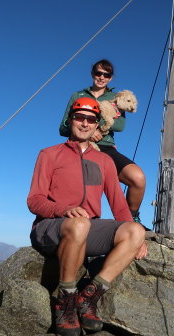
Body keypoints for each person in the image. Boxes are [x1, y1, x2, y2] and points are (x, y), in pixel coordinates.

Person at [29, 97, 148, 336]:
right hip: (50, 226)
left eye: (91, 119)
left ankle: (89, 297)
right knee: (80, 223)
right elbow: (35, 200)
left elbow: (118, 203)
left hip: (85, 229)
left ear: (97, 126)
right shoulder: (49, 154)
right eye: (79, 117)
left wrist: (138, 238)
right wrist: (63, 209)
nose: (84, 123)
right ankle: (66, 300)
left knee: (135, 230)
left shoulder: (104, 161)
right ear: (70, 120)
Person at [59, 59, 147, 225]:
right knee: (88, 185)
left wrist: (99, 130)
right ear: (92, 73)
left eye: (106, 75)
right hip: (80, 147)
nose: (101, 77)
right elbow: (63, 127)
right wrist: (89, 133)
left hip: (106, 147)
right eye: (98, 73)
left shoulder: (115, 97)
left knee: (138, 178)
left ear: (111, 78)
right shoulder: (78, 96)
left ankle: (131, 220)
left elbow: (120, 125)